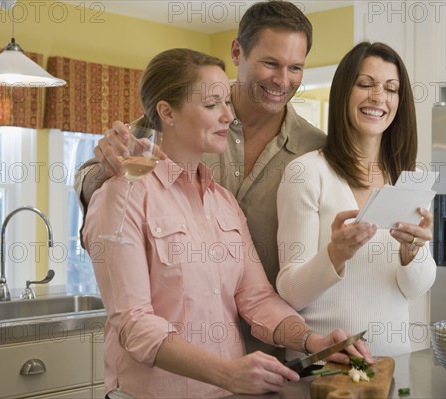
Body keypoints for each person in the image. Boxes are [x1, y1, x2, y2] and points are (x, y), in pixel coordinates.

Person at [82, 48, 371, 399]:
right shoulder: (121, 195)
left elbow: (257, 297)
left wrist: (313, 341)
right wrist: (227, 374)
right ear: (167, 112)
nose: (228, 116)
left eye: (227, 104)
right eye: (211, 105)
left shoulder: (223, 202)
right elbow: (133, 324)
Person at [74, 0, 326, 357]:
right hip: (172, 363)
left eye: (296, 67)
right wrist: (107, 171)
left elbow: (260, 293)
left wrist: (312, 340)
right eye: (270, 62)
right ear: (238, 52)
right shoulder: (176, 121)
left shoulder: (316, 150)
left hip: (265, 350)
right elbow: (103, 173)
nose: (283, 80)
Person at [275, 42, 437, 358]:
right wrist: (335, 254)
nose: (379, 97)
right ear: (343, 93)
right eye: (365, 84)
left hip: (393, 366)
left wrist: (412, 252)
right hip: (325, 368)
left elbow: (414, 290)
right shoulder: (307, 173)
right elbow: (290, 293)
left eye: (391, 89)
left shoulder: (409, 179)